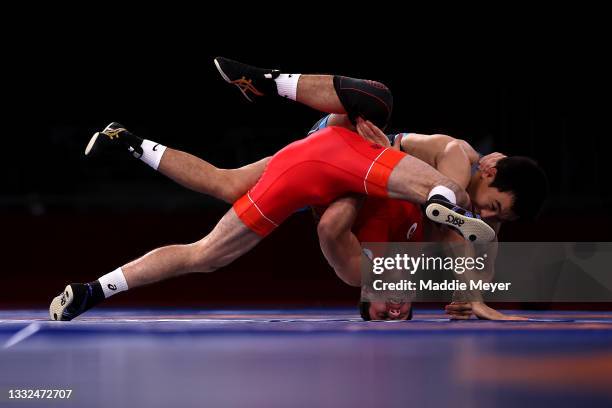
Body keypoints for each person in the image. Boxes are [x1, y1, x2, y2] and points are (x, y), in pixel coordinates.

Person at [49, 64, 493, 321]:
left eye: (384, 313)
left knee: (207, 251)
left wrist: (365, 187)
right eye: (403, 311)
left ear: (366, 300)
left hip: (319, 172)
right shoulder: (416, 251)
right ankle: (266, 78)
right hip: (349, 152)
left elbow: (333, 225)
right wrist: (472, 292)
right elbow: (452, 157)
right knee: (390, 116)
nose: (396, 308)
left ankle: (94, 288)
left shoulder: (359, 272)